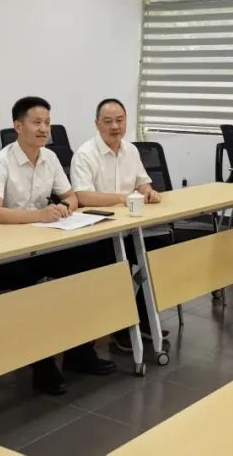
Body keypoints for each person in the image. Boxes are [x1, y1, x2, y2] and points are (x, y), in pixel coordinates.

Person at [0, 96, 116, 395]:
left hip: (41, 243)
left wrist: (64, 207)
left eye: (47, 123)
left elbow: (71, 196)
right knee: (31, 286)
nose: (44, 129)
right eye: (37, 123)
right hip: (3, 253)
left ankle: (80, 350)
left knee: (93, 262)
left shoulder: (50, 158)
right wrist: (39, 215)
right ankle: (41, 365)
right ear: (18, 126)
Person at [72, 97, 168, 352]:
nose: (115, 126)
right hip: (97, 234)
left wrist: (149, 192)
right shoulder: (85, 154)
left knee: (160, 250)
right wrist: (122, 199)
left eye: (119, 120)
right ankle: (122, 326)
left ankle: (142, 318)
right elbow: (83, 196)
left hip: (128, 229)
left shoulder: (131, 150)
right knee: (117, 262)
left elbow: (142, 182)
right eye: (108, 121)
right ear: (97, 124)